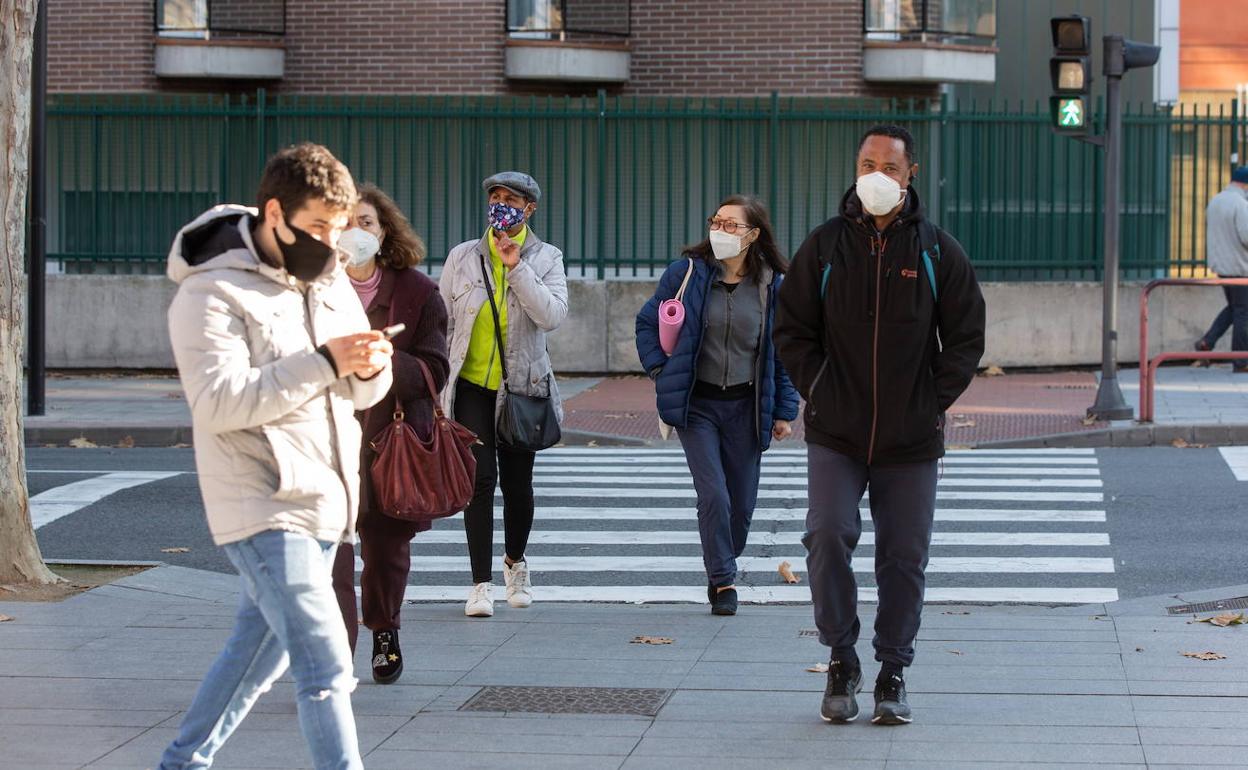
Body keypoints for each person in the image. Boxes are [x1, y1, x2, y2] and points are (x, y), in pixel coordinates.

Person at [161, 143, 392, 769]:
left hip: (326, 497)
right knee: (326, 663)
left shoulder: (329, 275)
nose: (331, 243)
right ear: (273, 213)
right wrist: (324, 363)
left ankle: (180, 763)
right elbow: (217, 401)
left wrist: (369, 366)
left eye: (338, 228)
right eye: (317, 226)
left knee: (253, 656)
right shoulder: (210, 293)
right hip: (259, 501)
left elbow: (360, 386)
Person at [775, 125, 985, 726]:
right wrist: (819, 388)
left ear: (909, 174)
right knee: (826, 537)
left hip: (911, 439)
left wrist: (930, 399)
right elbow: (794, 330)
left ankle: (892, 670)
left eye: (889, 167)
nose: (876, 175)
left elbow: (967, 335)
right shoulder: (824, 247)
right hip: (838, 432)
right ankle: (842, 658)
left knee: (903, 556)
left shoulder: (938, 250)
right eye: (867, 163)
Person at [635, 195, 800, 616]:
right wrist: (660, 372)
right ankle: (723, 579)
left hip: (746, 405)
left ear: (754, 235)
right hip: (698, 404)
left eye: (731, 225)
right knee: (714, 495)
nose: (720, 231)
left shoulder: (771, 285)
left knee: (741, 505)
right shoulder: (686, 273)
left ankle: (724, 553)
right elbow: (647, 323)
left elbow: (781, 351)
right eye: (717, 222)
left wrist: (784, 409)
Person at [330, 183, 449, 685]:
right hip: (328, 441)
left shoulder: (418, 293)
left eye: (367, 222)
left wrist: (383, 360)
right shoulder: (311, 289)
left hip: (389, 441)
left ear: (385, 232)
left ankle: (384, 629)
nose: (356, 232)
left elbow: (435, 369)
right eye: (346, 222)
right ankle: (335, 660)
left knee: (384, 554)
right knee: (331, 557)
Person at [439, 171, 568, 617]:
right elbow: (447, 323)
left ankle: (515, 563)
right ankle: (480, 584)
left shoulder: (547, 257)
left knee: (518, 486)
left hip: (521, 387)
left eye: (511, 198)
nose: (501, 204)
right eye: (495, 196)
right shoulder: (463, 257)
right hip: (472, 386)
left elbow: (551, 316)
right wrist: (441, 385)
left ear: (529, 208)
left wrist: (517, 268)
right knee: (479, 482)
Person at [1195, 165, 1248, 372]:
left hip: (1222, 265)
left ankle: (1207, 342)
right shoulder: (1241, 204)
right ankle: (1241, 361)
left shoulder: (1216, 200)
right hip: (1240, 267)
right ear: (1244, 185)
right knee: (1243, 312)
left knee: (1234, 308)